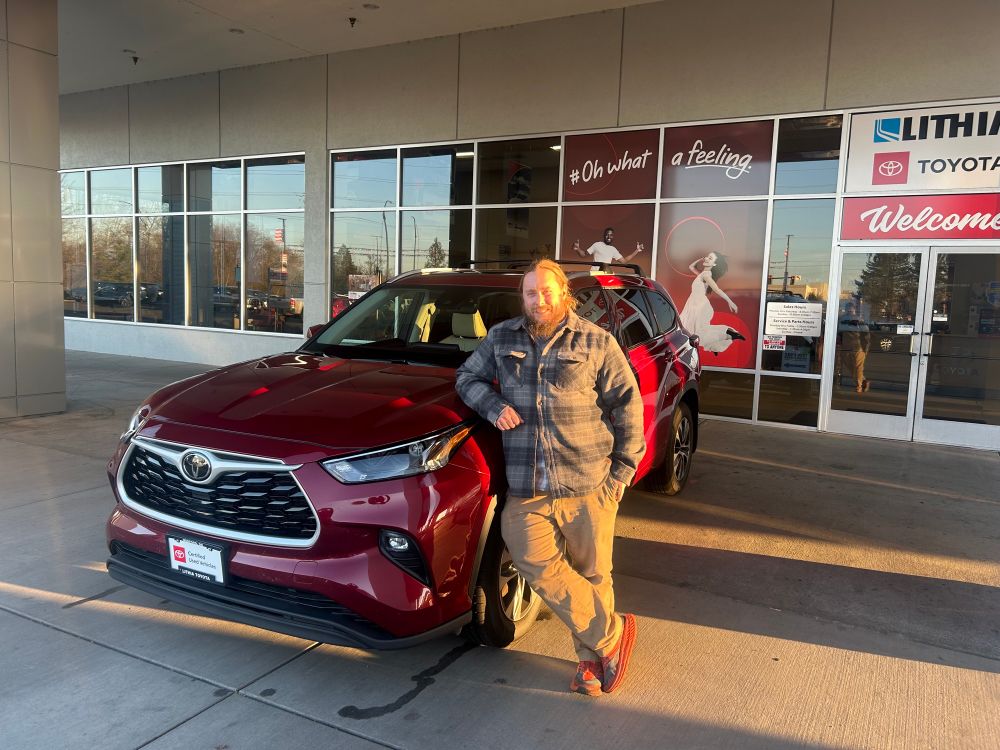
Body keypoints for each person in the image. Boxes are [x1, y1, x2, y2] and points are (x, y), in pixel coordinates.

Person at [455, 259, 645, 696]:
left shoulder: (596, 341)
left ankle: (590, 662)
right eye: (530, 293)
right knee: (531, 559)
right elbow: (466, 376)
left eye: (546, 291)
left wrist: (622, 470)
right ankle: (611, 635)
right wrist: (492, 405)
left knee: (593, 572)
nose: (538, 299)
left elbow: (627, 403)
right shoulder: (501, 337)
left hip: (588, 481)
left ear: (563, 294)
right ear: (522, 298)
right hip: (527, 484)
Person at [679, 251, 745, 354]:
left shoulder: (706, 275)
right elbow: (691, 267)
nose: (706, 259)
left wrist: (730, 301)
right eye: (707, 257)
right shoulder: (702, 274)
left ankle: (727, 335)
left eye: (710, 258)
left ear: (714, 264)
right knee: (694, 331)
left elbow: (717, 289)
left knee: (696, 332)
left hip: (699, 306)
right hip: (695, 304)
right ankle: (722, 338)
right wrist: (701, 259)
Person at [837, 301, 870, 392]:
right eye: (848, 311)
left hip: (858, 347)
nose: (850, 312)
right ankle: (863, 381)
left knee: (858, 367)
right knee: (851, 367)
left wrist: (866, 348)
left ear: (854, 310)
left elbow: (866, 334)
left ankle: (859, 386)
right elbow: (838, 331)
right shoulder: (841, 320)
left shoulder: (859, 320)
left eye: (851, 311)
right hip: (846, 347)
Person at [572, 227, 644, 264]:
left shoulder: (613, 249)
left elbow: (624, 261)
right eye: (607, 235)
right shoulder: (597, 244)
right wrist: (577, 249)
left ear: (613, 237)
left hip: (606, 276)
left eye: (611, 235)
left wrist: (637, 250)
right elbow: (584, 255)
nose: (609, 237)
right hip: (595, 275)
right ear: (604, 236)